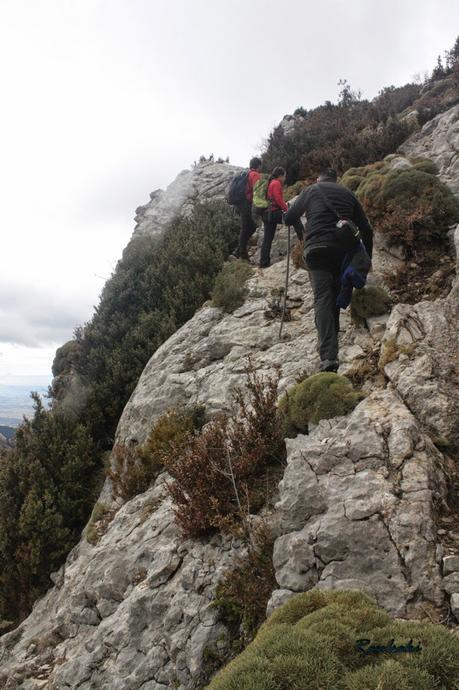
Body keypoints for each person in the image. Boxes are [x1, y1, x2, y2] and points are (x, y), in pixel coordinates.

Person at [284, 168, 373, 373]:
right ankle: (332, 342)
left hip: (315, 250)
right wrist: (366, 258)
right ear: (336, 179)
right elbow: (366, 228)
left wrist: (286, 213)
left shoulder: (311, 190)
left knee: (322, 298)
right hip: (342, 251)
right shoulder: (347, 193)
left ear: (319, 179)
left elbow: (289, 218)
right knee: (333, 295)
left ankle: (328, 357)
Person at [260, 166, 304, 268]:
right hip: (273, 213)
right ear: (280, 176)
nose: (285, 178)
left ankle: (264, 262)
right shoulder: (276, 183)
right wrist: (288, 210)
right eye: (284, 176)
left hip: (267, 214)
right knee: (295, 219)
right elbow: (278, 200)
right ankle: (304, 241)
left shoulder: (271, 182)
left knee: (267, 238)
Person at [233, 157, 262, 260]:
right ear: (258, 166)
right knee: (246, 227)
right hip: (245, 203)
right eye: (260, 166)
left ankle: (240, 250)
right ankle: (241, 253)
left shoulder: (247, 173)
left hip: (240, 203)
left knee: (251, 226)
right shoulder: (255, 175)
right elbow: (257, 191)